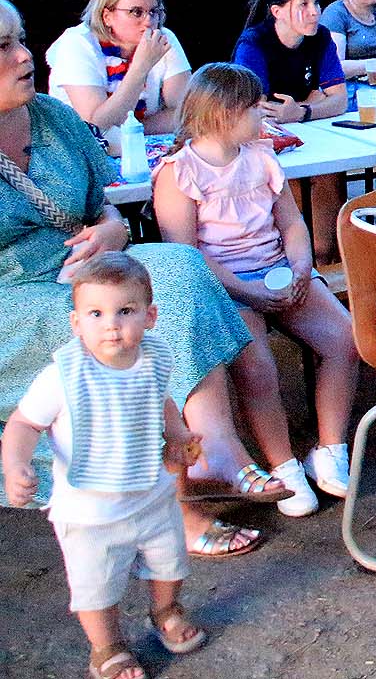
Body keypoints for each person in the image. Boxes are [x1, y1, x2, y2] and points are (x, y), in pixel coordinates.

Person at [0, 0, 283, 562]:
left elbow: (104, 208)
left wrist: (111, 230)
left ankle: (212, 447)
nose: (25, 56)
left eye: (20, 39)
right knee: (118, 317)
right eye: (2, 48)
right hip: (13, 295)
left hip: (87, 267)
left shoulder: (53, 117)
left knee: (178, 268)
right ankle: (171, 512)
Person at [152, 63, 358, 518]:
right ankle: (282, 464)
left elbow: (291, 223)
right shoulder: (179, 173)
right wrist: (246, 291)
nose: (262, 112)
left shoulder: (261, 157)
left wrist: (301, 266)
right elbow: (187, 255)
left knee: (344, 338)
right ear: (224, 114)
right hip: (223, 286)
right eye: (252, 106)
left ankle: (330, 447)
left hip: (278, 270)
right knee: (257, 366)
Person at [3, 254, 209, 679]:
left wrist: (177, 435)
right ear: (76, 323)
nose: (111, 325)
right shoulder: (64, 377)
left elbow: (162, 400)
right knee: (95, 586)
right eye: (96, 313)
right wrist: (16, 464)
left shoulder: (153, 358)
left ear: (150, 317)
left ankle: (165, 610)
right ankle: (107, 647)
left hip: (152, 494)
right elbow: (24, 423)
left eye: (125, 311)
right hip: (90, 512)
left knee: (170, 562)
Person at [231, 0, 347, 262]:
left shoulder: (320, 37)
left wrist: (302, 111)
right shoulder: (254, 43)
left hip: (310, 133)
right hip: (263, 144)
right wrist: (313, 101)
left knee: (329, 170)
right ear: (277, 11)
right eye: (304, 5)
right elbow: (256, 109)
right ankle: (297, 258)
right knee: (291, 180)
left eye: (317, 3)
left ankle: (328, 259)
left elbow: (340, 100)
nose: (315, 12)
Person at [46, 0, 191, 152]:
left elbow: (188, 113)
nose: (148, 21)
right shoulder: (77, 43)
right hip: (80, 153)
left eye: (154, 12)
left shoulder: (163, 38)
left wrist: (133, 130)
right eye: (136, 12)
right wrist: (141, 67)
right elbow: (96, 126)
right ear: (107, 16)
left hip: (144, 146)